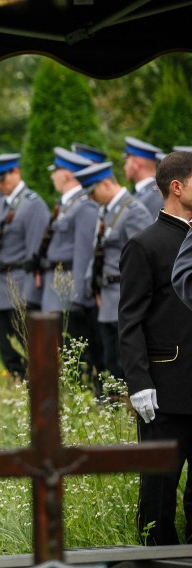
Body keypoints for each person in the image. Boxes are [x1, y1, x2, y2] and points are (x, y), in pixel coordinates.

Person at [122, 151, 192, 545]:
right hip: (164, 390)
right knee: (158, 493)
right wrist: (139, 382)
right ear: (177, 187)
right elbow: (129, 320)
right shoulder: (144, 244)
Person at [75, 161, 152, 383]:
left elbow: (143, 259)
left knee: (125, 362)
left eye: (92, 192)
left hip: (124, 296)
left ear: (106, 183)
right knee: (111, 362)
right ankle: (116, 408)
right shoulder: (106, 211)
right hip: (107, 299)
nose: (90, 198)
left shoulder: (133, 211)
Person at [0, 153, 50, 380]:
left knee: (27, 346)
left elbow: (36, 251)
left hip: (22, 283)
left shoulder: (32, 204)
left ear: (16, 172)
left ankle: (35, 394)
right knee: (7, 349)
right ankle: (18, 391)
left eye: (3, 179)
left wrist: (32, 290)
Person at [38, 147, 101, 380]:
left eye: (55, 172)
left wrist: (80, 295)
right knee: (60, 353)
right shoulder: (67, 205)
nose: (52, 176)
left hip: (69, 290)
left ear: (66, 175)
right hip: (56, 286)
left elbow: (84, 253)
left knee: (77, 355)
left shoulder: (84, 206)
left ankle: (87, 398)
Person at [124, 136, 164, 220]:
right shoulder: (142, 192)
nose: (124, 167)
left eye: (126, 161)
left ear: (137, 164)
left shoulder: (156, 196)